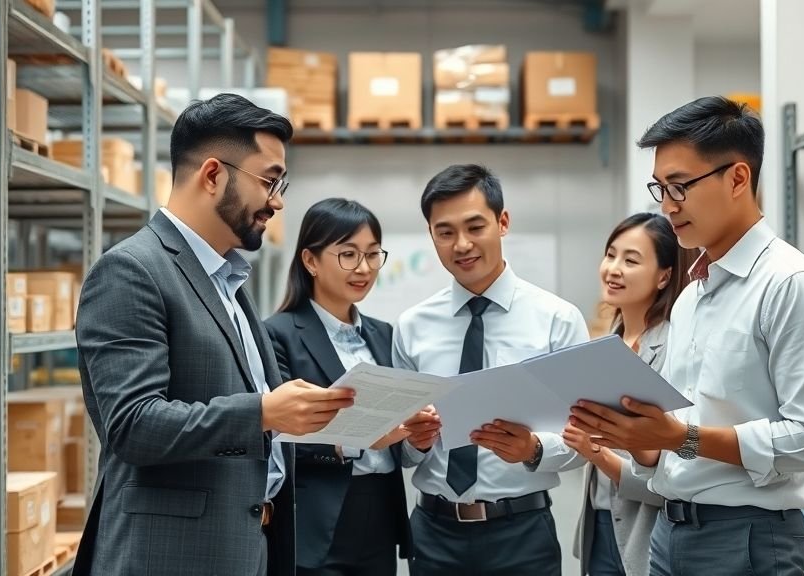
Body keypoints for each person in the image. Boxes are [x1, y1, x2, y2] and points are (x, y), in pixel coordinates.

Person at [73, 94, 355, 576]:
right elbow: (133, 426)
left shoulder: (225, 281)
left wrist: (334, 423)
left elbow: (243, 418)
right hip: (168, 557)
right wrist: (264, 411)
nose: (278, 200)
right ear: (212, 175)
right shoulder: (132, 271)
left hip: (245, 549)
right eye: (269, 181)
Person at [568, 96, 804, 576]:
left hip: (748, 538)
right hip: (670, 532)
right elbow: (677, 440)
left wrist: (684, 437)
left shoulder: (790, 284)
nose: (668, 207)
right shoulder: (691, 297)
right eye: (660, 188)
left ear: (738, 178)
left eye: (680, 187)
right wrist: (635, 436)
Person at [393, 164, 589, 576]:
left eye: (475, 227)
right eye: (445, 232)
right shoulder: (412, 326)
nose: (461, 244)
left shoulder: (556, 319)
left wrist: (533, 449)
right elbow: (403, 449)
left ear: (503, 222)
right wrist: (417, 441)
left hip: (521, 534)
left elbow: (584, 438)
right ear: (431, 236)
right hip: (433, 533)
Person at [265, 198, 414, 576]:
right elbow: (276, 432)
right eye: (348, 254)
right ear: (311, 261)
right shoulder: (278, 334)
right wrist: (357, 439)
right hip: (317, 518)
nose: (363, 268)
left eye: (372, 254)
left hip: (380, 509)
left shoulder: (384, 334)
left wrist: (415, 430)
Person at [564, 213, 695, 576]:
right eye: (610, 255)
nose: (613, 269)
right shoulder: (606, 346)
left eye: (631, 260)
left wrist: (599, 455)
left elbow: (678, 471)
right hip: (600, 524)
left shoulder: (675, 346)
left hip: (648, 533)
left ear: (664, 275)